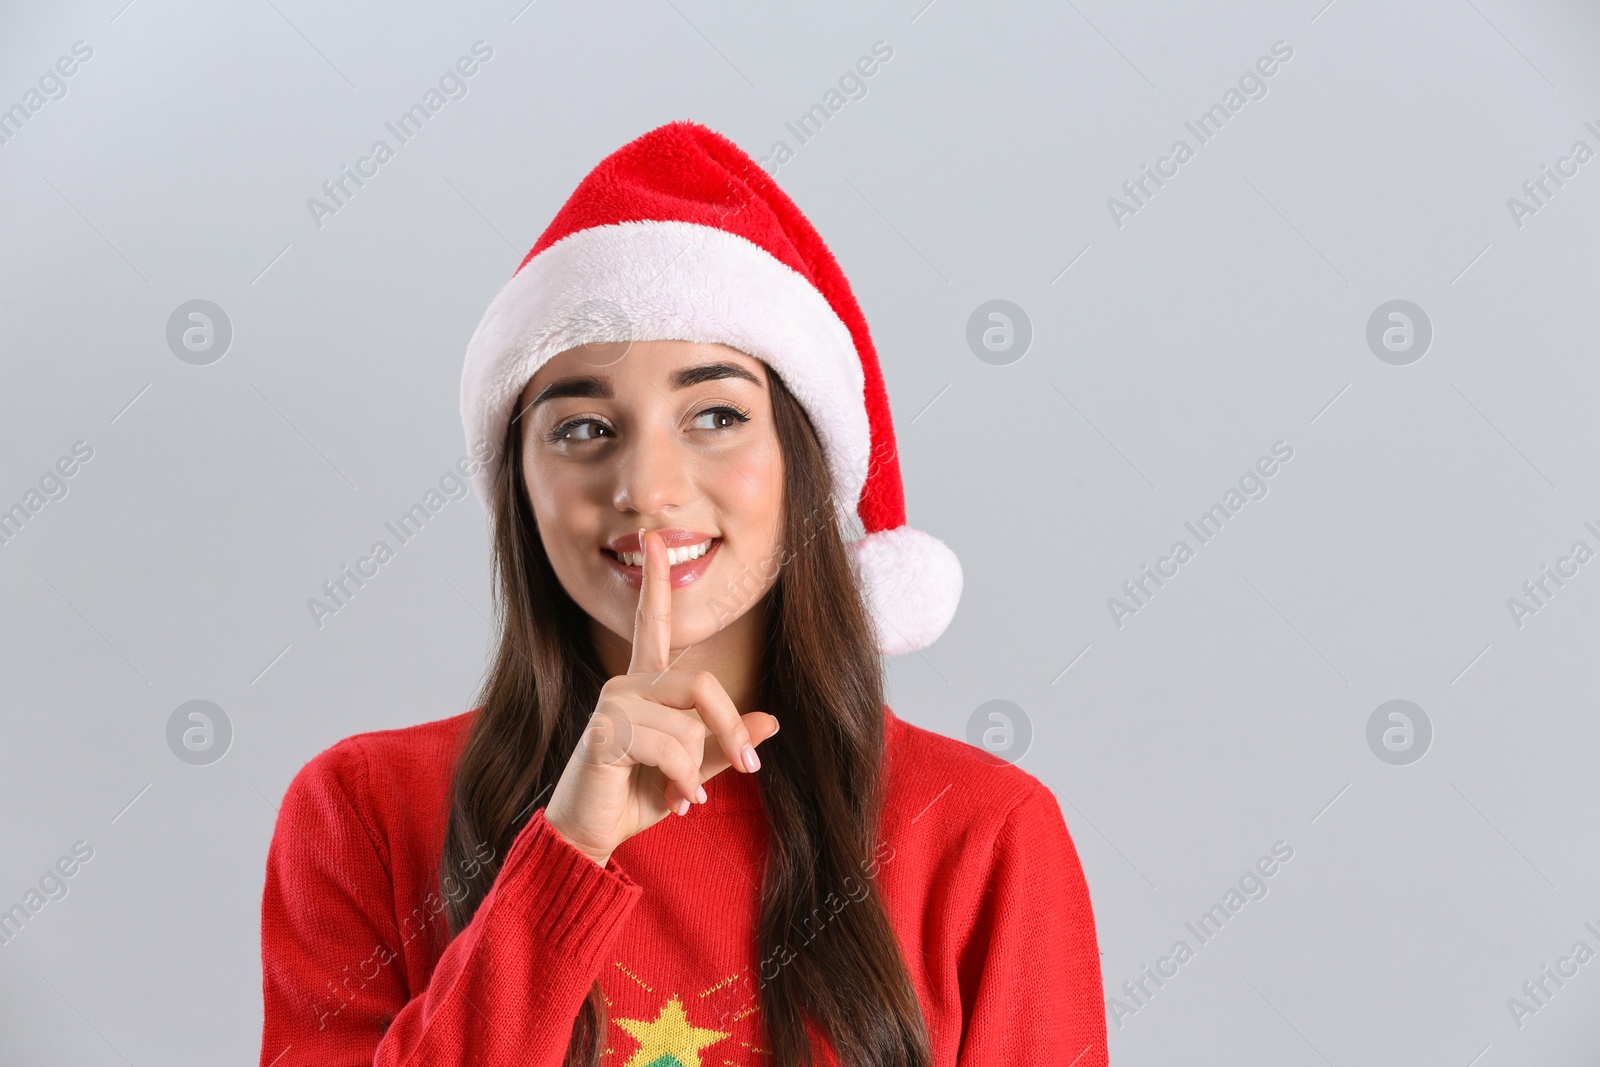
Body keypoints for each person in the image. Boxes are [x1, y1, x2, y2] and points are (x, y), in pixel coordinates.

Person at [258, 120, 1107, 1066]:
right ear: (517, 482)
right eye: (582, 427)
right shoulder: (362, 813)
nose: (649, 488)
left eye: (716, 414)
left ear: (803, 461)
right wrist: (566, 855)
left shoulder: (983, 834)